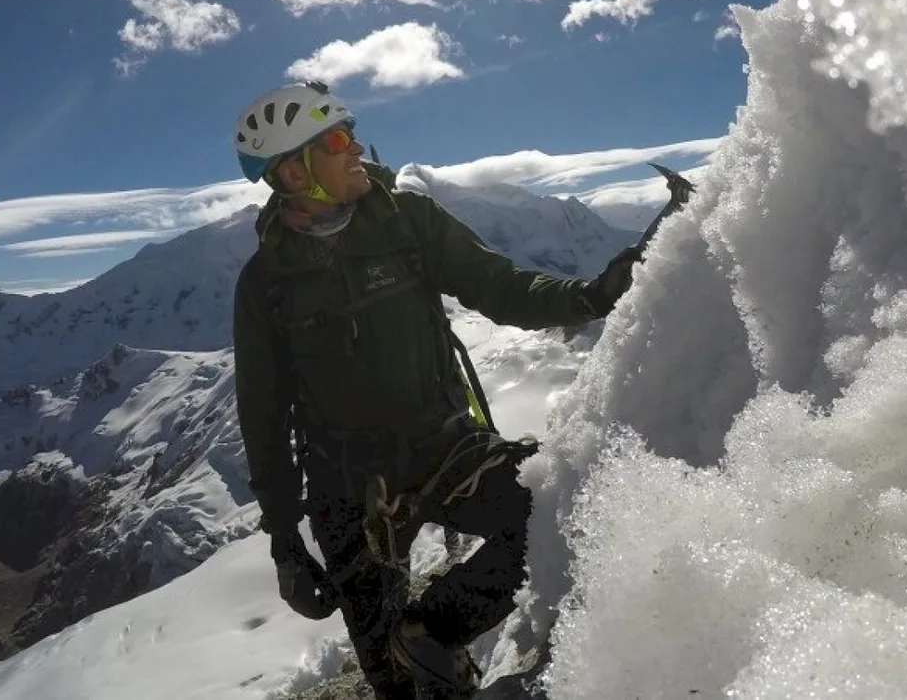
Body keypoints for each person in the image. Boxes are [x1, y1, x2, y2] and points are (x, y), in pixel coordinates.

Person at [230, 82, 640, 700]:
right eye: (338, 141)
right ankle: (411, 657)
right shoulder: (265, 285)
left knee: (557, 511)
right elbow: (262, 416)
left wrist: (589, 295)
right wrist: (285, 539)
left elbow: (498, 286)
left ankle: (432, 629)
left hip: (445, 446)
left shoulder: (407, 220)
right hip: (348, 488)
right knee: (399, 689)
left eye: (351, 133)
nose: (357, 150)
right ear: (293, 171)